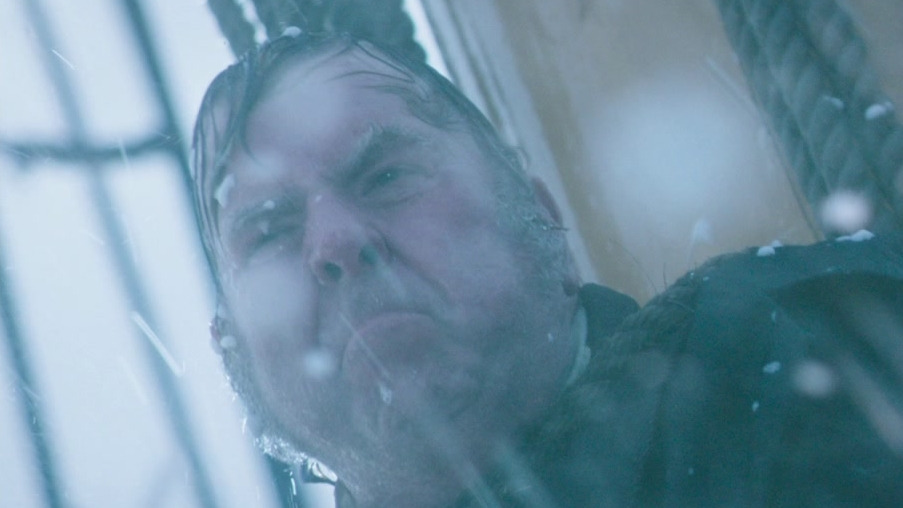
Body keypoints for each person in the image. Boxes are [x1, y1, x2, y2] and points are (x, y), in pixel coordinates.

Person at [191, 32, 903, 507]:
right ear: (232, 356)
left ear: (540, 218)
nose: (336, 241)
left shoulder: (826, 338)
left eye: (386, 176)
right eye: (270, 232)